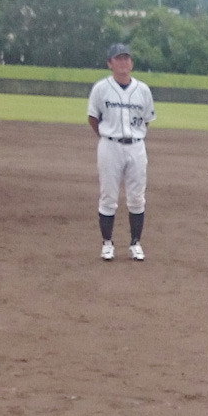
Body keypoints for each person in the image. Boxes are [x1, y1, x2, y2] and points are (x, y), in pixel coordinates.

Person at [88, 43, 156, 261]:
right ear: (110, 63)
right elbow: (93, 118)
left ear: (132, 63)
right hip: (110, 145)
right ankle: (107, 243)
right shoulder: (101, 88)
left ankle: (135, 243)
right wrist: (108, 137)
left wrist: (133, 136)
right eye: (118, 58)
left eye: (126, 58)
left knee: (137, 198)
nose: (123, 62)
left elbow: (146, 120)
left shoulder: (143, 90)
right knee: (108, 196)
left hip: (136, 146)